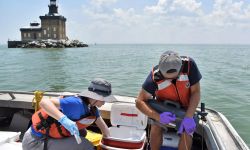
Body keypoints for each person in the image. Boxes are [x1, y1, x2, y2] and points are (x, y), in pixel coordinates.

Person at [22, 78, 114, 150]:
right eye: (104, 99)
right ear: (96, 97)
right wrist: (63, 119)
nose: (105, 103)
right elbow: (44, 102)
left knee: (83, 132)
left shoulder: (93, 109)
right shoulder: (75, 104)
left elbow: (105, 131)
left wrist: (111, 144)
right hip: (35, 142)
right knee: (87, 146)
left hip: (50, 137)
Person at [136, 51, 202, 150]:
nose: (171, 80)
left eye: (175, 77)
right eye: (167, 78)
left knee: (187, 131)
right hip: (163, 108)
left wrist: (188, 117)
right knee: (156, 127)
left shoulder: (189, 65)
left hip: (186, 110)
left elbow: (196, 92)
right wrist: (158, 117)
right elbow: (139, 102)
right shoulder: (154, 75)